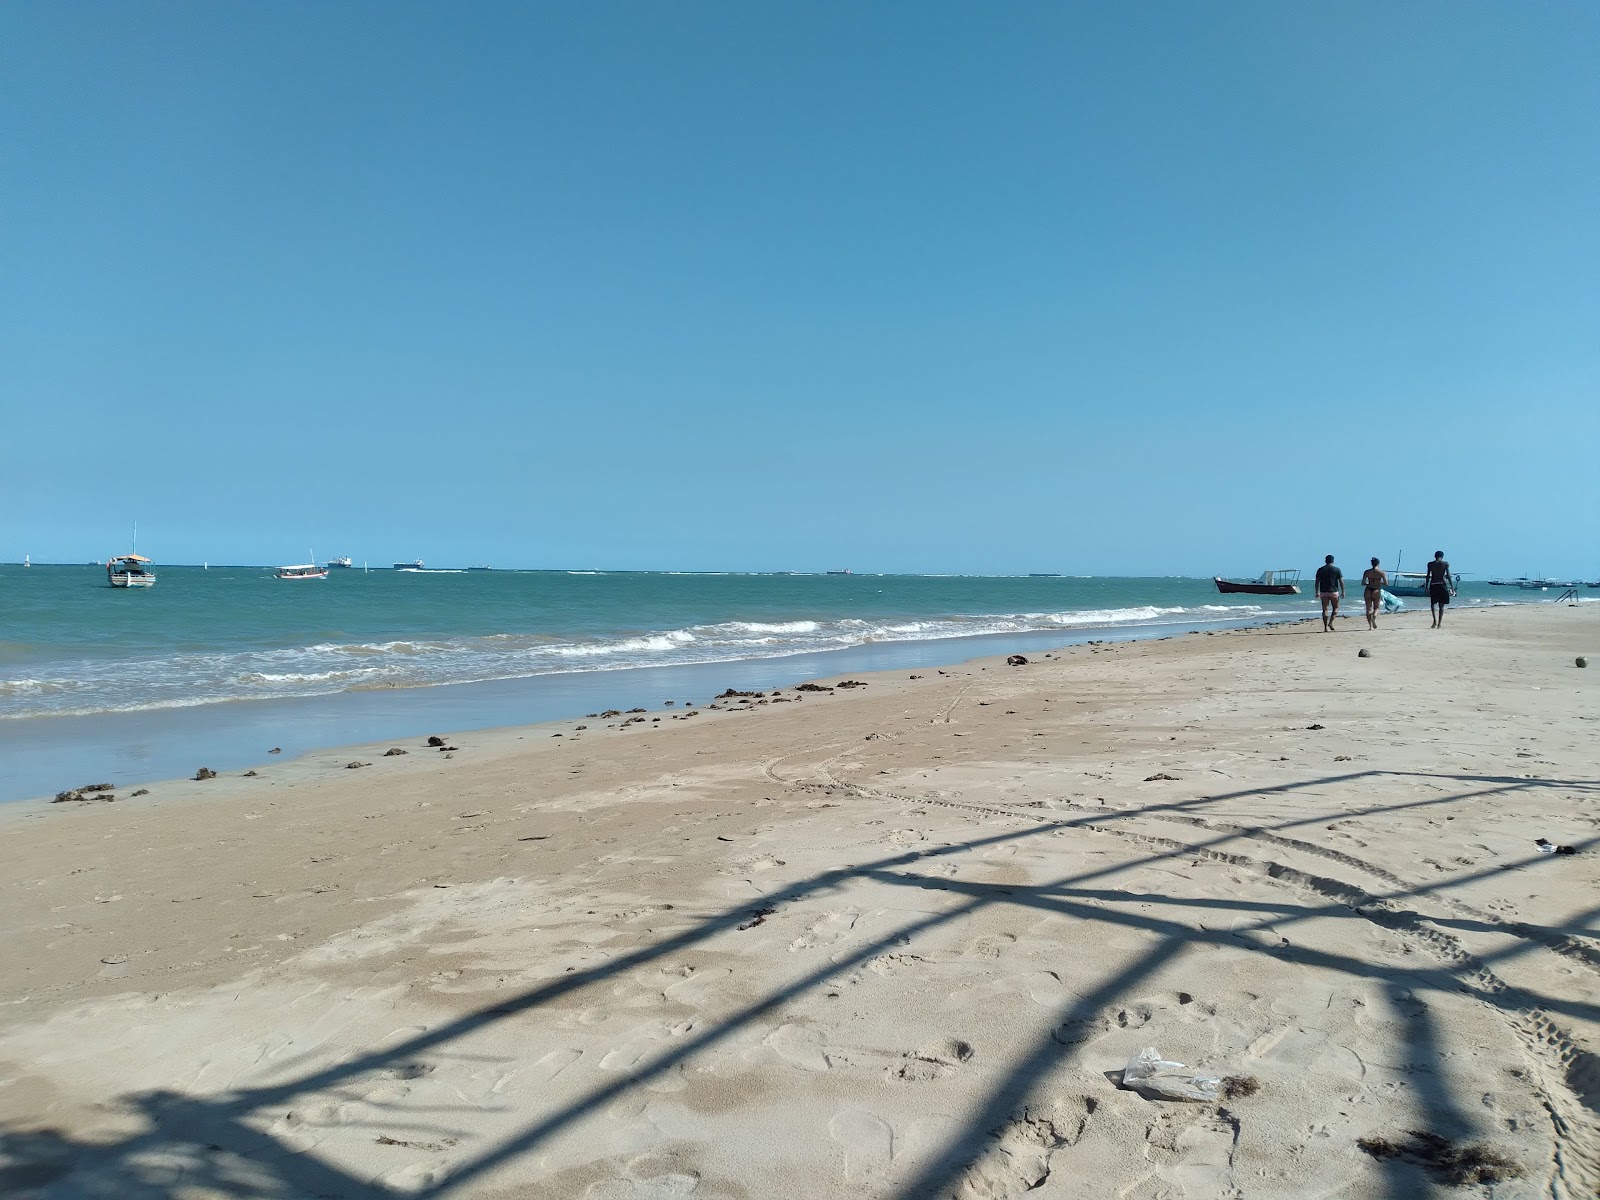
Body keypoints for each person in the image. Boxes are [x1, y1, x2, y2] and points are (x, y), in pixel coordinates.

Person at [1315, 554, 1344, 632]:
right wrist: (1343, 591)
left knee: (1325, 609)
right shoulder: (1337, 569)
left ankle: (1325, 627)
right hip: (1334, 591)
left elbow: (1317, 582)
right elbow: (1341, 582)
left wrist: (1316, 591)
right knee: (1336, 608)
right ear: (1333, 561)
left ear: (1325, 561)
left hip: (1323, 592)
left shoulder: (1320, 570)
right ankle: (1330, 622)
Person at [1425, 550, 1454, 628]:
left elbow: (1428, 576)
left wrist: (1426, 586)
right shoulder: (1445, 564)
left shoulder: (1430, 564)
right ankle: (1439, 623)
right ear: (1442, 556)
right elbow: (1448, 576)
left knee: (1433, 604)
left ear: (1435, 556)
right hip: (1442, 585)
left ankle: (1434, 621)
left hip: (1433, 585)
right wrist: (1452, 587)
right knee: (1441, 605)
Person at [1361, 557, 1388, 630]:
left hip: (1368, 590)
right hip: (1376, 590)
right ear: (1378, 564)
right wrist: (1379, 582)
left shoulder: (1367, 571)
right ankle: (1374, 617)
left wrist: (1368, 583)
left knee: (1368, 608)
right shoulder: (1381, 572)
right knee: (1376, 607)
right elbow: (1386, 583)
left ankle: (1370, 626)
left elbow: (1363, 583)